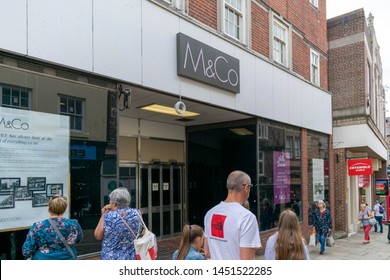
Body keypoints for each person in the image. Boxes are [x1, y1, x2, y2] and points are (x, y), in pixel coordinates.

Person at [204, 170, 261, 260]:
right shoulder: (247, 217)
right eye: (250, 187)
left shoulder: (210, 214)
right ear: (246, 187)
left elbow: (207, 252)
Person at [22, 195, 83, 260]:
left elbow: (27, 251)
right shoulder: (74, 224)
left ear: (49, 209)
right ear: (64, 209)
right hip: (68, 257)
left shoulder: (38, 226)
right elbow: (79, 239)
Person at [94, 187, 142, 260]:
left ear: (114, 203)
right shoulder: (137, 213)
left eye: (110, 201)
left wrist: (102, 216)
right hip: (131, 256)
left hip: (111, 257)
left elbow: (98, 236)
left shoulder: (107, 217)